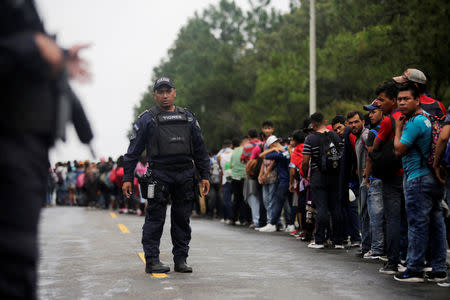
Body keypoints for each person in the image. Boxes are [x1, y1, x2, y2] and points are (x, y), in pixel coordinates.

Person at [0, 1, 90, 298]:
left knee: (19, 262)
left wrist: (59, 56)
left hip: (28, 149)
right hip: (11, 144)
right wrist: (32, 45)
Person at [122, 77, 210, 274]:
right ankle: (152, 260)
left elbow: (200, 149)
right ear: (154, 95)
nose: (164, 95)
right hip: (159, 174)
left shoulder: (188, 117)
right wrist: (127, 177)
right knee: (155, 219)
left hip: (185, 174)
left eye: (167, 91)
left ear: (174, 92)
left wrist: (205, 174)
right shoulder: (147, 119)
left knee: (182, 219)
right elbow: (133, 151)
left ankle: (181, 260)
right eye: (160, 92)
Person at [392, 83, 447, 283]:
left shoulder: (414, 122)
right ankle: (439, 268)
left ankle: (414, 268)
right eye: (399, 99)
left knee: (417, 223)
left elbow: (399, 149)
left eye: (406, 99)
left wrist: (398, 129)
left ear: (417, 100)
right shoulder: (429, 119)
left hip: (418, 178)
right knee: (436, 223)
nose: (402, 102)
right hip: (433, 177)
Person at [302, 112, 345, 249]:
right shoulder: (335, 136)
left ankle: (320, 239)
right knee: (335, 207)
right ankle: (338, 240)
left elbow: (305, 160)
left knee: (321, 207)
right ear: (325, 121)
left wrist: (305, 174)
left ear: (313, 125)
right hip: (335, 176)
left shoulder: (310, 139)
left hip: (318, 175)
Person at [362, 100, 387, 260]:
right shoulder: (392, 126)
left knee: (376, 216)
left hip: (377, 177)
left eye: (373, 111)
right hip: (391, 176)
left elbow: (370, 156)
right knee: (389, 216)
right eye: (369, 112)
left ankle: (377, 249)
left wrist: (367, 176)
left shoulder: (373, 133)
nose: (370, 115)